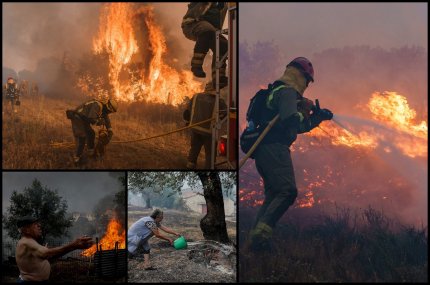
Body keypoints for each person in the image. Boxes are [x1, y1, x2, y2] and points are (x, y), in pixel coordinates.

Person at [247, 57, 333, 251]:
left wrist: (317, 117)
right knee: (288, 191)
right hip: (274, 148)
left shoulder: (280, 92)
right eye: (307, 81)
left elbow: (298, 127)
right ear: (300, 76)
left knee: (274, 195)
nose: (307, 86)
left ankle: (254, 240)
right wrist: (304, 110)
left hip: (266, 150)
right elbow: (291, 121)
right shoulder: (286, 92)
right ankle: (261, 239)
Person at [15, 215, 93, 282]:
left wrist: (74, 246)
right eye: (35, 225)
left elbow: (49, 256)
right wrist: (73, 244)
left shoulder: (31, 243)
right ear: (26, 230)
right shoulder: (26, 242)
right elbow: (46, 253)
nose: (39, 226)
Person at [181, 2, 228, 88]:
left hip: (212, 30)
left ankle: (218, 77)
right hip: (192, 23)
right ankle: (196, 65)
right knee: (207, 31)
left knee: (224, 45)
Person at [183, 81, 227, 169]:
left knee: (194, 149)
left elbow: (186, 112)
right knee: (210, 153)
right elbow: (225, 115)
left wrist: (187, 123)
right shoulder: (219, 101)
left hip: (195, 129)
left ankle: (190, 166)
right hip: (209, 133)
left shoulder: (196, 97)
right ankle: (209, 169)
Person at [66, 98, 118, 165]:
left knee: (91, 133)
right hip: (78, 118)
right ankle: (77, 159)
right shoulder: (97, 105)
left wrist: (110, 131)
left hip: (84, 119)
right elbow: (91, 119)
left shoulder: (103, 109)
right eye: (110, 111)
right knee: (82, 138)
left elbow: (107, 120)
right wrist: (100, 122)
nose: (109, 113)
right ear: (108, 108)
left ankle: (90, 153)